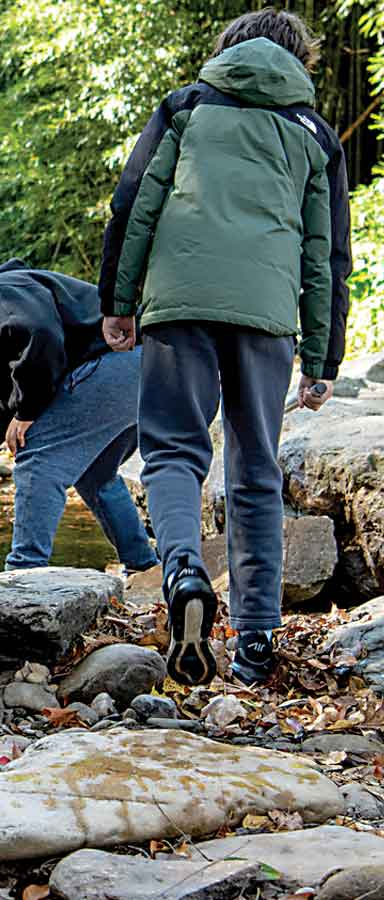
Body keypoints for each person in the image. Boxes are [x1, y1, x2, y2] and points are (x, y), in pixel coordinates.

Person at [99, 8, 351, 686]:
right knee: (256, 472)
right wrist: (324, 359)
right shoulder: (314, 135)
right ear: (301, 62)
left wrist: (117, 303)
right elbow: (325, 254)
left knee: (175, 450)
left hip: (179, 304)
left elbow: (135, 204)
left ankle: (183, 569)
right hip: (268, 317)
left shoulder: (187, 107)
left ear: (225, 52)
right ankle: (257, 644)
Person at [0, 260, 158, 575]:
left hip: (125, 362)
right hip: (143, 369)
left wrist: (28, 410)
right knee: (95, 473)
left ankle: (23, 573)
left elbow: (40, 334)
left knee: (37, 451)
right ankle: (144, 568)